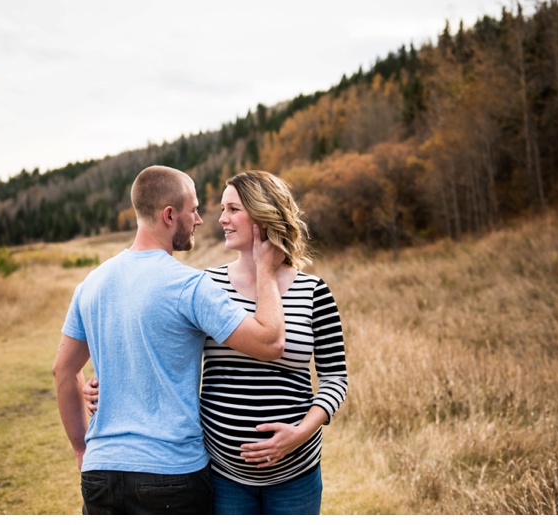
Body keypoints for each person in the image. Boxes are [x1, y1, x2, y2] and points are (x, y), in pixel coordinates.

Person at [85, 170, 348, 515]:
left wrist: (300, 433)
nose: (221, 219)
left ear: (263, 213)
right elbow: (163, 351)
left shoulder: (314, 292)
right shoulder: (206, 285)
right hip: (224, 473)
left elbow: (335, 378)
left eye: (233, 209)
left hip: (296, 472)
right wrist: (113, 386)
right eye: (222, 208)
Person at [53, 165, 287, 515]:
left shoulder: (92, 283)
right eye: (193, 210)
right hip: (172, 473)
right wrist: (267, 271)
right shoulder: (188, 287)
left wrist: (81, 449)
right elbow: (269, 343)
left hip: (100, 470)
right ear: (169, 215)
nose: (198, 220)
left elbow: (63, 370)